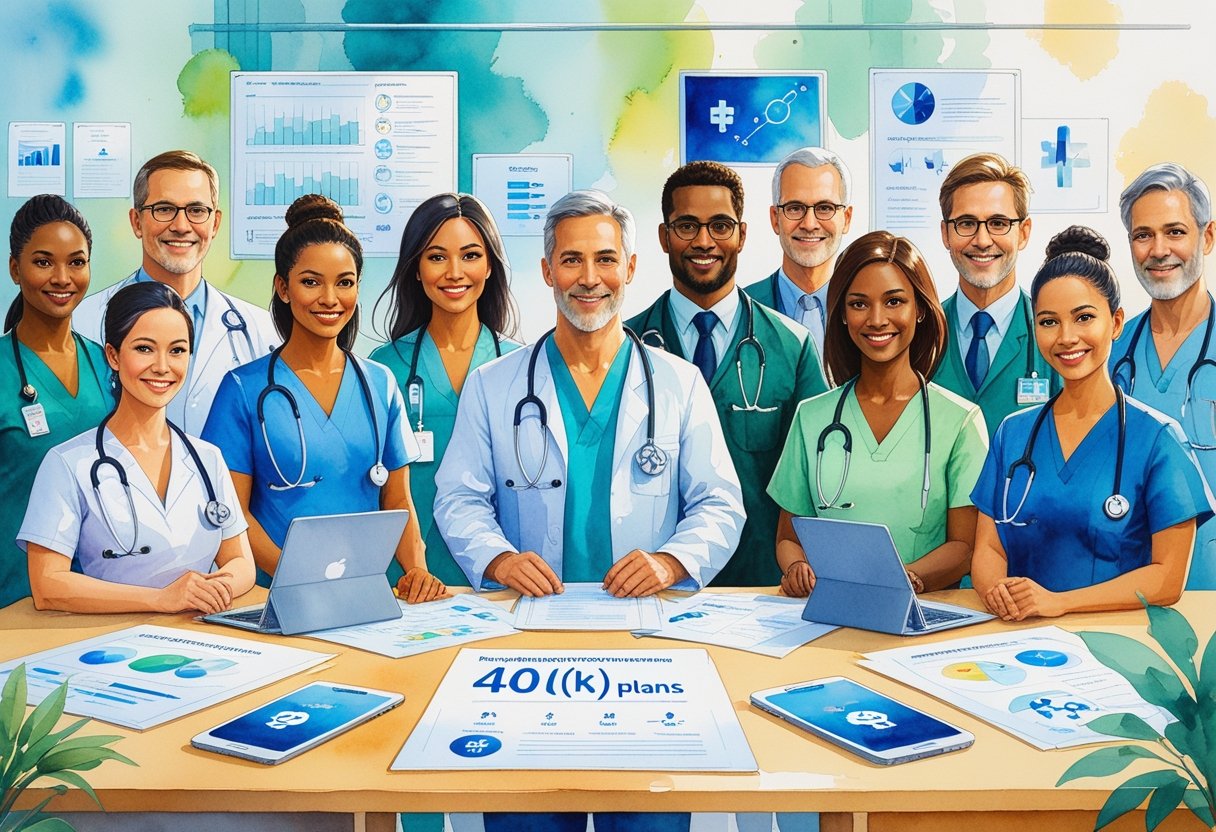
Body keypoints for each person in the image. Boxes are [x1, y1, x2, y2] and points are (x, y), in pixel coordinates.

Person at [435, 189, 743, 832]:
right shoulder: (495, 385)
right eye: (571, 260)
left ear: (630, 267)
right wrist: (497, 559)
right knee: (529, 817)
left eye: (605, 259)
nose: (589, 278)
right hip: (528, 647)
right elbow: (458, 497)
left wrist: (670, 562)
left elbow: (719, 503)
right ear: (547, 271)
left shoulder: (678, 383)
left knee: (648, 817)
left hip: (645, 646)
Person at [202, 195, 444, 602]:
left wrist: (417, 569)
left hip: (364, 594)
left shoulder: (380, 384)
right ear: (283, 287)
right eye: (311, 282)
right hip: (278, 595)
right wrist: (301, 578)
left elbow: (397, 499)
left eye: (345, 283)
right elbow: (233, 514)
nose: (330, 298)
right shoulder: (242, 389)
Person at [972, 227, 1213, 620]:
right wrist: (997, 592)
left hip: (1120, 641)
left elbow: (1168, 578)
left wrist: (1059, 603)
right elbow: (988, 549)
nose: (1067, 337)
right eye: (1048, 322)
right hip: (1021, 636)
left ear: (1115, 323)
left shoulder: (1158, 439)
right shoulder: (1012, 434)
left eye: (1084, 317)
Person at [626, 161, 826, 586]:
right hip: (654, 584)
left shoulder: (792, 347)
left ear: (742, 235)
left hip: (763, 586)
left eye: (720, 226)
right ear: (664, 237)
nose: (704, 241)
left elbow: (817, 476)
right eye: (687, 226)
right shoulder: (628, 347)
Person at [769, 231, 989, 598]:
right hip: (830, 610)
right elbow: (788, 538)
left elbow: (965, 547)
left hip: (919, 614)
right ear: (842, 314)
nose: (876, 319)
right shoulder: (811, 418)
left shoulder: (960, 421)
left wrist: (905, 579)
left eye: (894, 301)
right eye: (858, 304)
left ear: (920, 309)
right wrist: (796, 568)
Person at [16, 281, 255, 613]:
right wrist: (161, 599)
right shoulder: (68, 463)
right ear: (113, 355)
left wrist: (211, 589)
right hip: (109, 637)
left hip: (197, 630)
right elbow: (47, 585)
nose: (162, 366)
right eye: (144, 348)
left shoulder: (207, 458)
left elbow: (242, 563)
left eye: (177, 350)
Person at [371, 193, 521, 590]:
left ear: (490, 266)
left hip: (498, 568)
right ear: (416, 269)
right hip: (407, 576)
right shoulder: (384, 367)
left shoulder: (522, 367)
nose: (455, 272)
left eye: (470, 256)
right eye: (437, 257)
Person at [74, 150, 278, 434]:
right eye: (164, 209)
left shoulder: (263, 331)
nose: (181, 226)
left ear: (215, 223)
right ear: (136, 222)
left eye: (197, 211)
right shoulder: (82, 322)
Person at [1, 196, 113, 608]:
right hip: (16, 597)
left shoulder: (108, 365)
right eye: (43, 262)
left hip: (105, 591)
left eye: (76, 262)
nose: (62, 278)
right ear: (15, 269)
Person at [1109, 163, 1216, 589]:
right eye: (1143, 235)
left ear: (1207, 237)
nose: (1158, 250)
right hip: (1123, 587)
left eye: (1175, 232)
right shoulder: (1111, 353)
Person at [931, 153, 1059, 438]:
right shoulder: (923, 335)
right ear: (945, 234)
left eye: (998, 223)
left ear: (1023, 233)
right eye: (966, 223)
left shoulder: (1055, 335)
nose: (982, 240)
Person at [743, 146, 852, 359]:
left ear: (846, 219)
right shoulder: (740, 310)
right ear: (775, 219)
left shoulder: (870, 311)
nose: (809, 224)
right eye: (794, 208)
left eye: (825, 208)